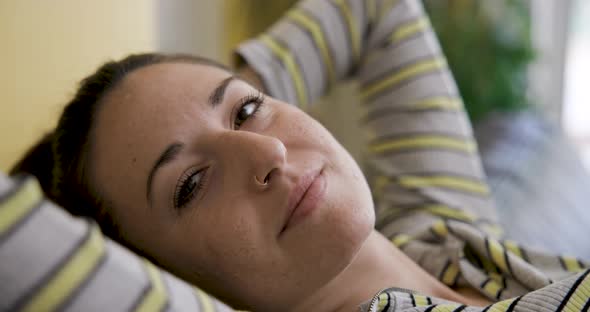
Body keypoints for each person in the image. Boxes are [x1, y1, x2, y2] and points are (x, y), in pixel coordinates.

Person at [3, 0, 589, 311]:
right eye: (190, 184)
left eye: (249, 111)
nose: (268, 152)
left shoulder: (445, 235)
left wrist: (211, 96)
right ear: (166, 278)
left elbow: (376, 9)